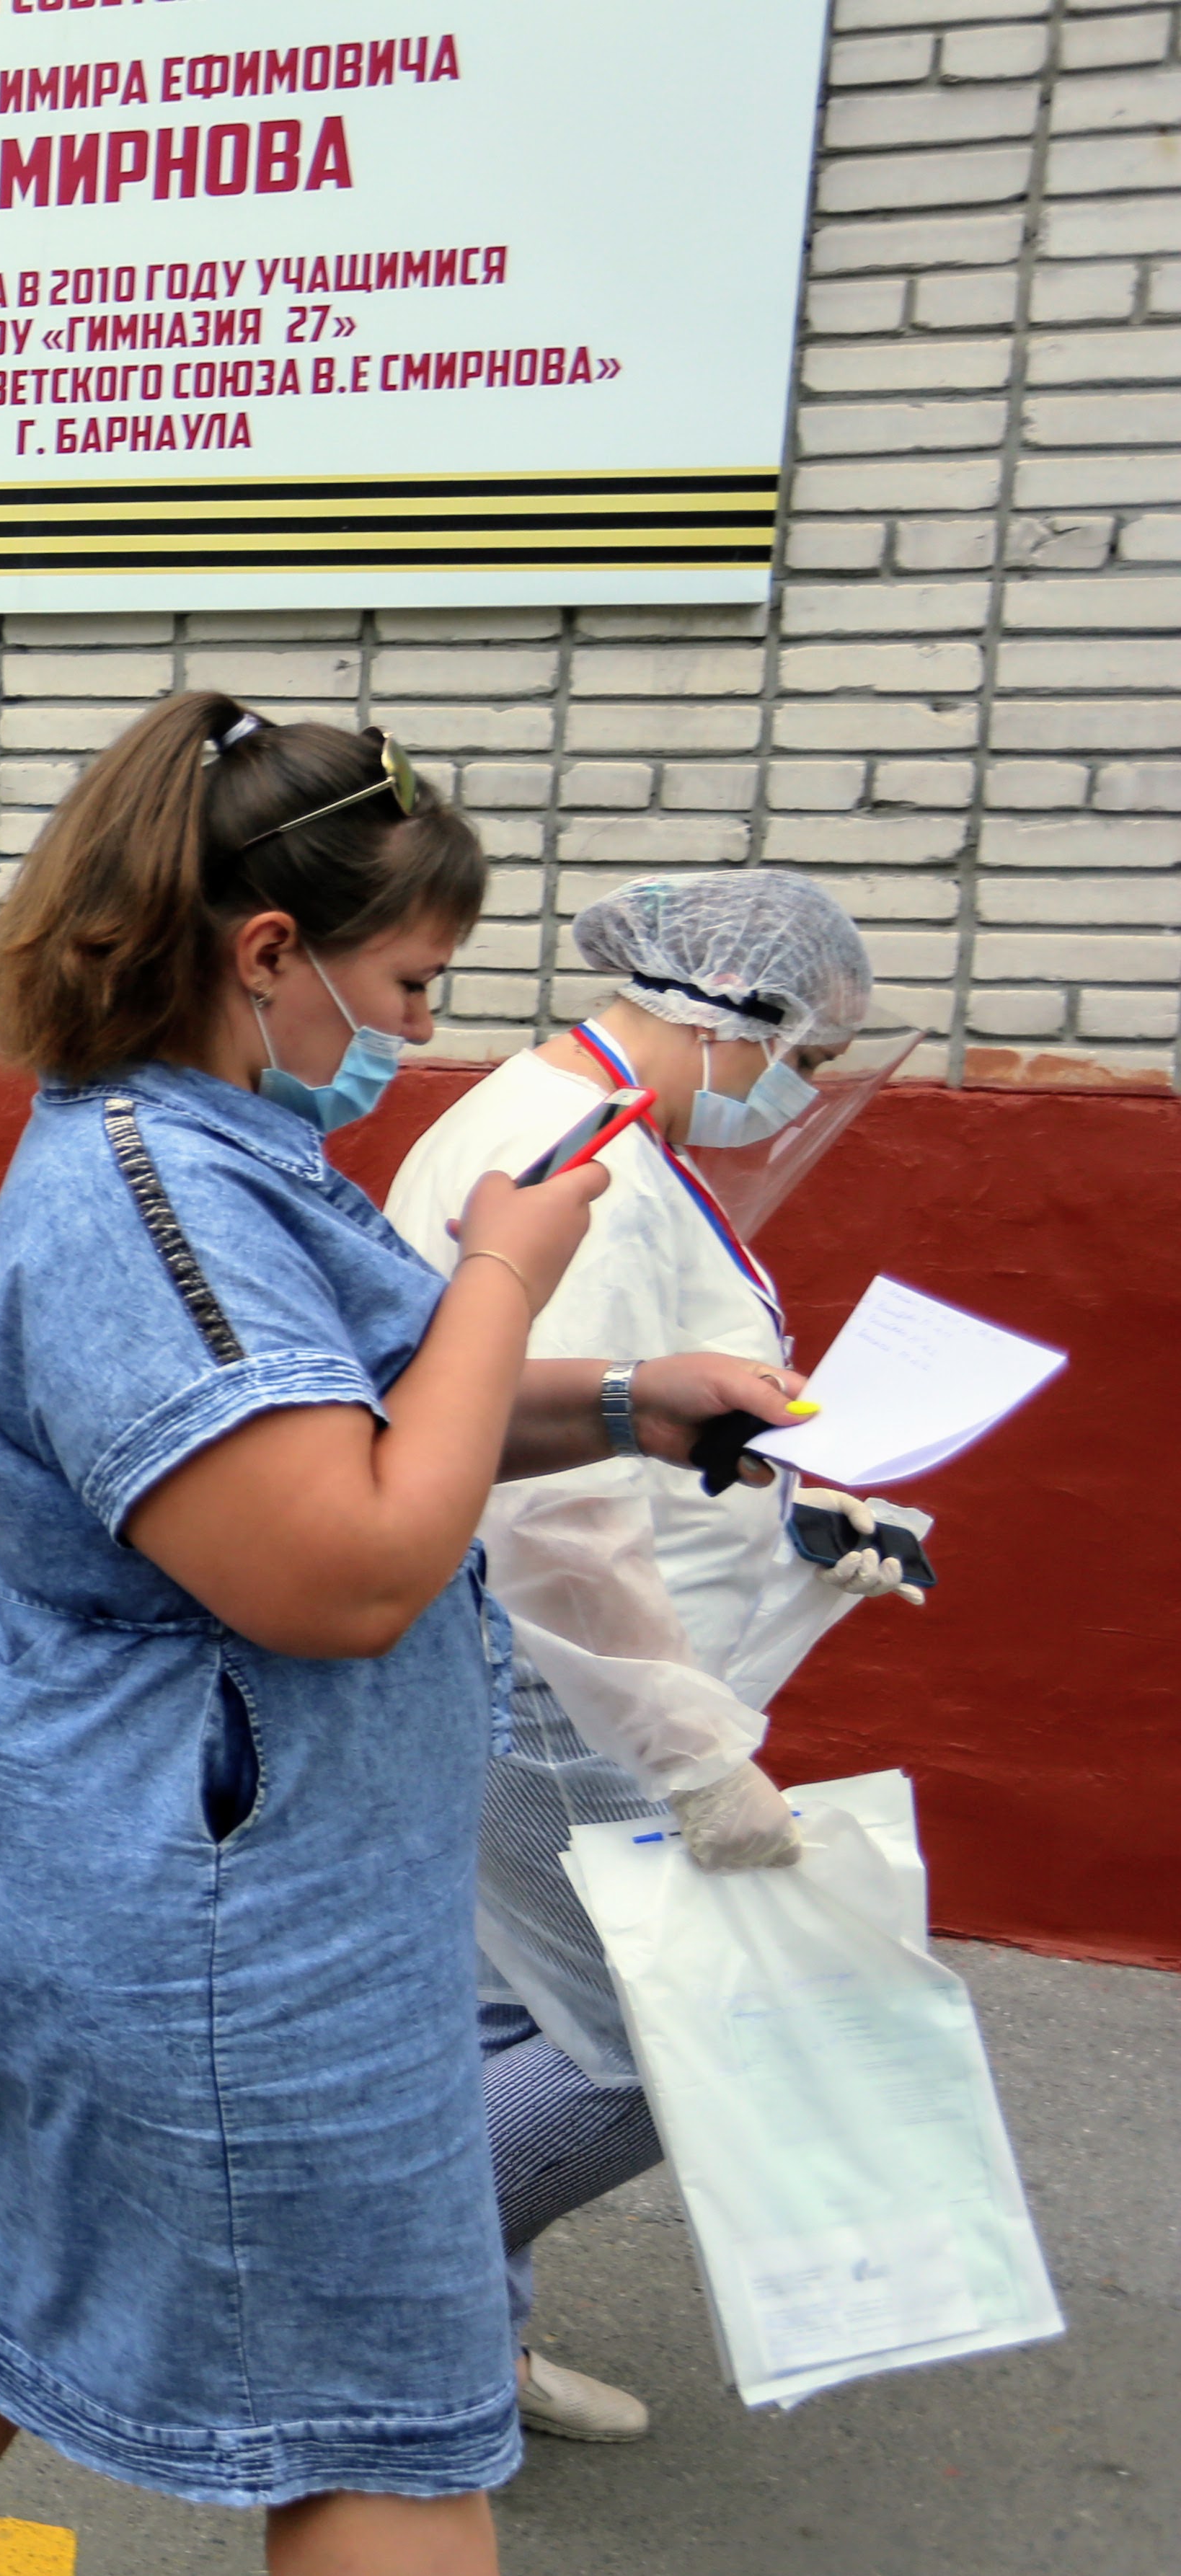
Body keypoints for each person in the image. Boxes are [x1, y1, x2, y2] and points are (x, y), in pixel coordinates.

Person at [0, 695, 802, 2576]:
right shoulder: (158, 1195)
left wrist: (629, 1399)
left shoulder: (206, 1147)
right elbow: (346, 1566)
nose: (417, 1032)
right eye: (408, 982)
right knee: (382, 2418)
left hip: (151, 1860)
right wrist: (504, 1272)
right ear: (270, 953)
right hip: (206, 1907)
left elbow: (370, 1412)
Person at [380, 870, 919, 2445]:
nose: (795, 1092)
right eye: (803, 1058)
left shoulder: (588, 1129)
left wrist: (806, 1521)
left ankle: (454, 2360)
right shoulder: (584, 1162)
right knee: (643, 2050)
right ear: (730, 1016)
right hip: (564, 1684)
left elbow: (633, 1415)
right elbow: (555, 1512)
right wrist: (696, 1763)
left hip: (555, 1668)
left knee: (505, 2023)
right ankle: (362, 2293)